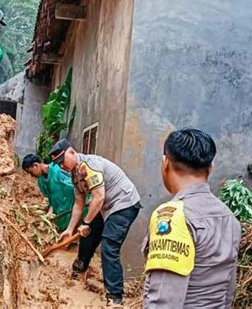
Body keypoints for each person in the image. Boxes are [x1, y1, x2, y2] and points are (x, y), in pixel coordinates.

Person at [142, 128, 241, 308]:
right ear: (211, 167)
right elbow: (228, 293)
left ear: (165, 163)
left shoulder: (172, 217)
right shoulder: (229, 217)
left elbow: (164, 302)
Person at [51, 139, 142, 305]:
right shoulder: (74, 174)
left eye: (62, 161)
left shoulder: (88, 166)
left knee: (109, 245)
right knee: (87, 235)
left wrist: (86, 223)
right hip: (106, 206)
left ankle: (115, 298)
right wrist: (71, 229)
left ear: (71, 152)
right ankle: (79, 272)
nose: (61, 166)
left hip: (124, 203)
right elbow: (79, 203)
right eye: (57, 164)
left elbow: (98, 197)